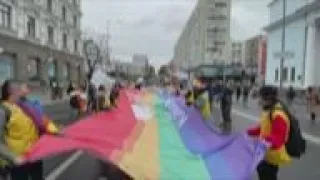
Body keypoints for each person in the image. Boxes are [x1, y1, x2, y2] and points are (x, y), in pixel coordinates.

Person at [0, 80, 61, 180]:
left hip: (35, 155)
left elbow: (41, 122)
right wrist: (13, 157)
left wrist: (56, 130)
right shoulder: (3, 110)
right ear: (11, 91)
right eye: (19, 89)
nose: (22, 91)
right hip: (19, 160)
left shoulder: (25, 106)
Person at [247, 86, 291, 180]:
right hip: (265, 154)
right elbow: (263, 129)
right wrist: (247, 133)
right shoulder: (268, 110)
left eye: (260, 97)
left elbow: (278, 139)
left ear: (268, 98)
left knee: (268, 176)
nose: (259, 100)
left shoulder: (278, 115)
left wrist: (262, 141)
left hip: (271, 156)